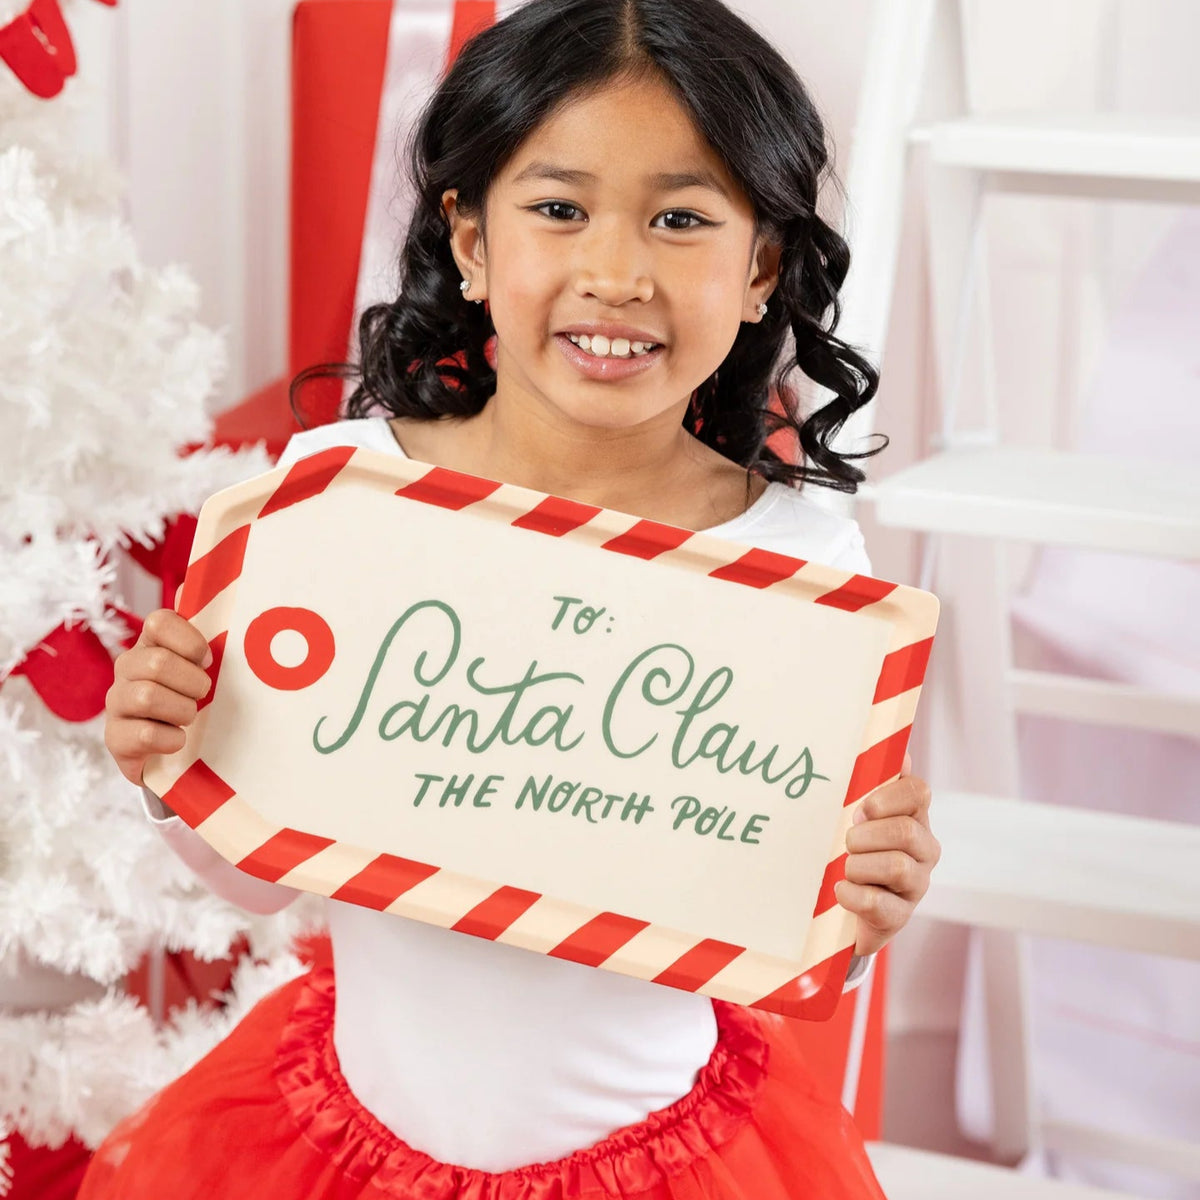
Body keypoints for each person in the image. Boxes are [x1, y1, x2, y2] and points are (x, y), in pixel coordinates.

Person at [84, 0, 940, 1195]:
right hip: (338, 1137)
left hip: (665, 1161)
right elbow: (259, 872)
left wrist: (866, 904)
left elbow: (782, 927)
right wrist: (173, 762)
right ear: (473, 243)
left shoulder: (800, 568)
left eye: (682, 219)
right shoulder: (339, 501)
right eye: (559, 209)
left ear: (761, 270)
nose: (615, 272)